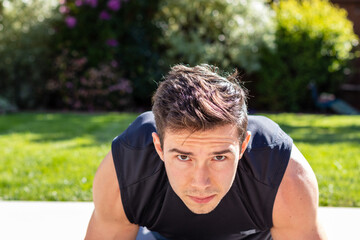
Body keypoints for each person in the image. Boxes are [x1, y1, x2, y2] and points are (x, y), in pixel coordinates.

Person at [85, 64, 327, 240]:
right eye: (183, 157)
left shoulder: (282, 173)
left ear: (243, 147)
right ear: (159, 147)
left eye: (219, 157)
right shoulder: (128, 168)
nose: (201, 182)